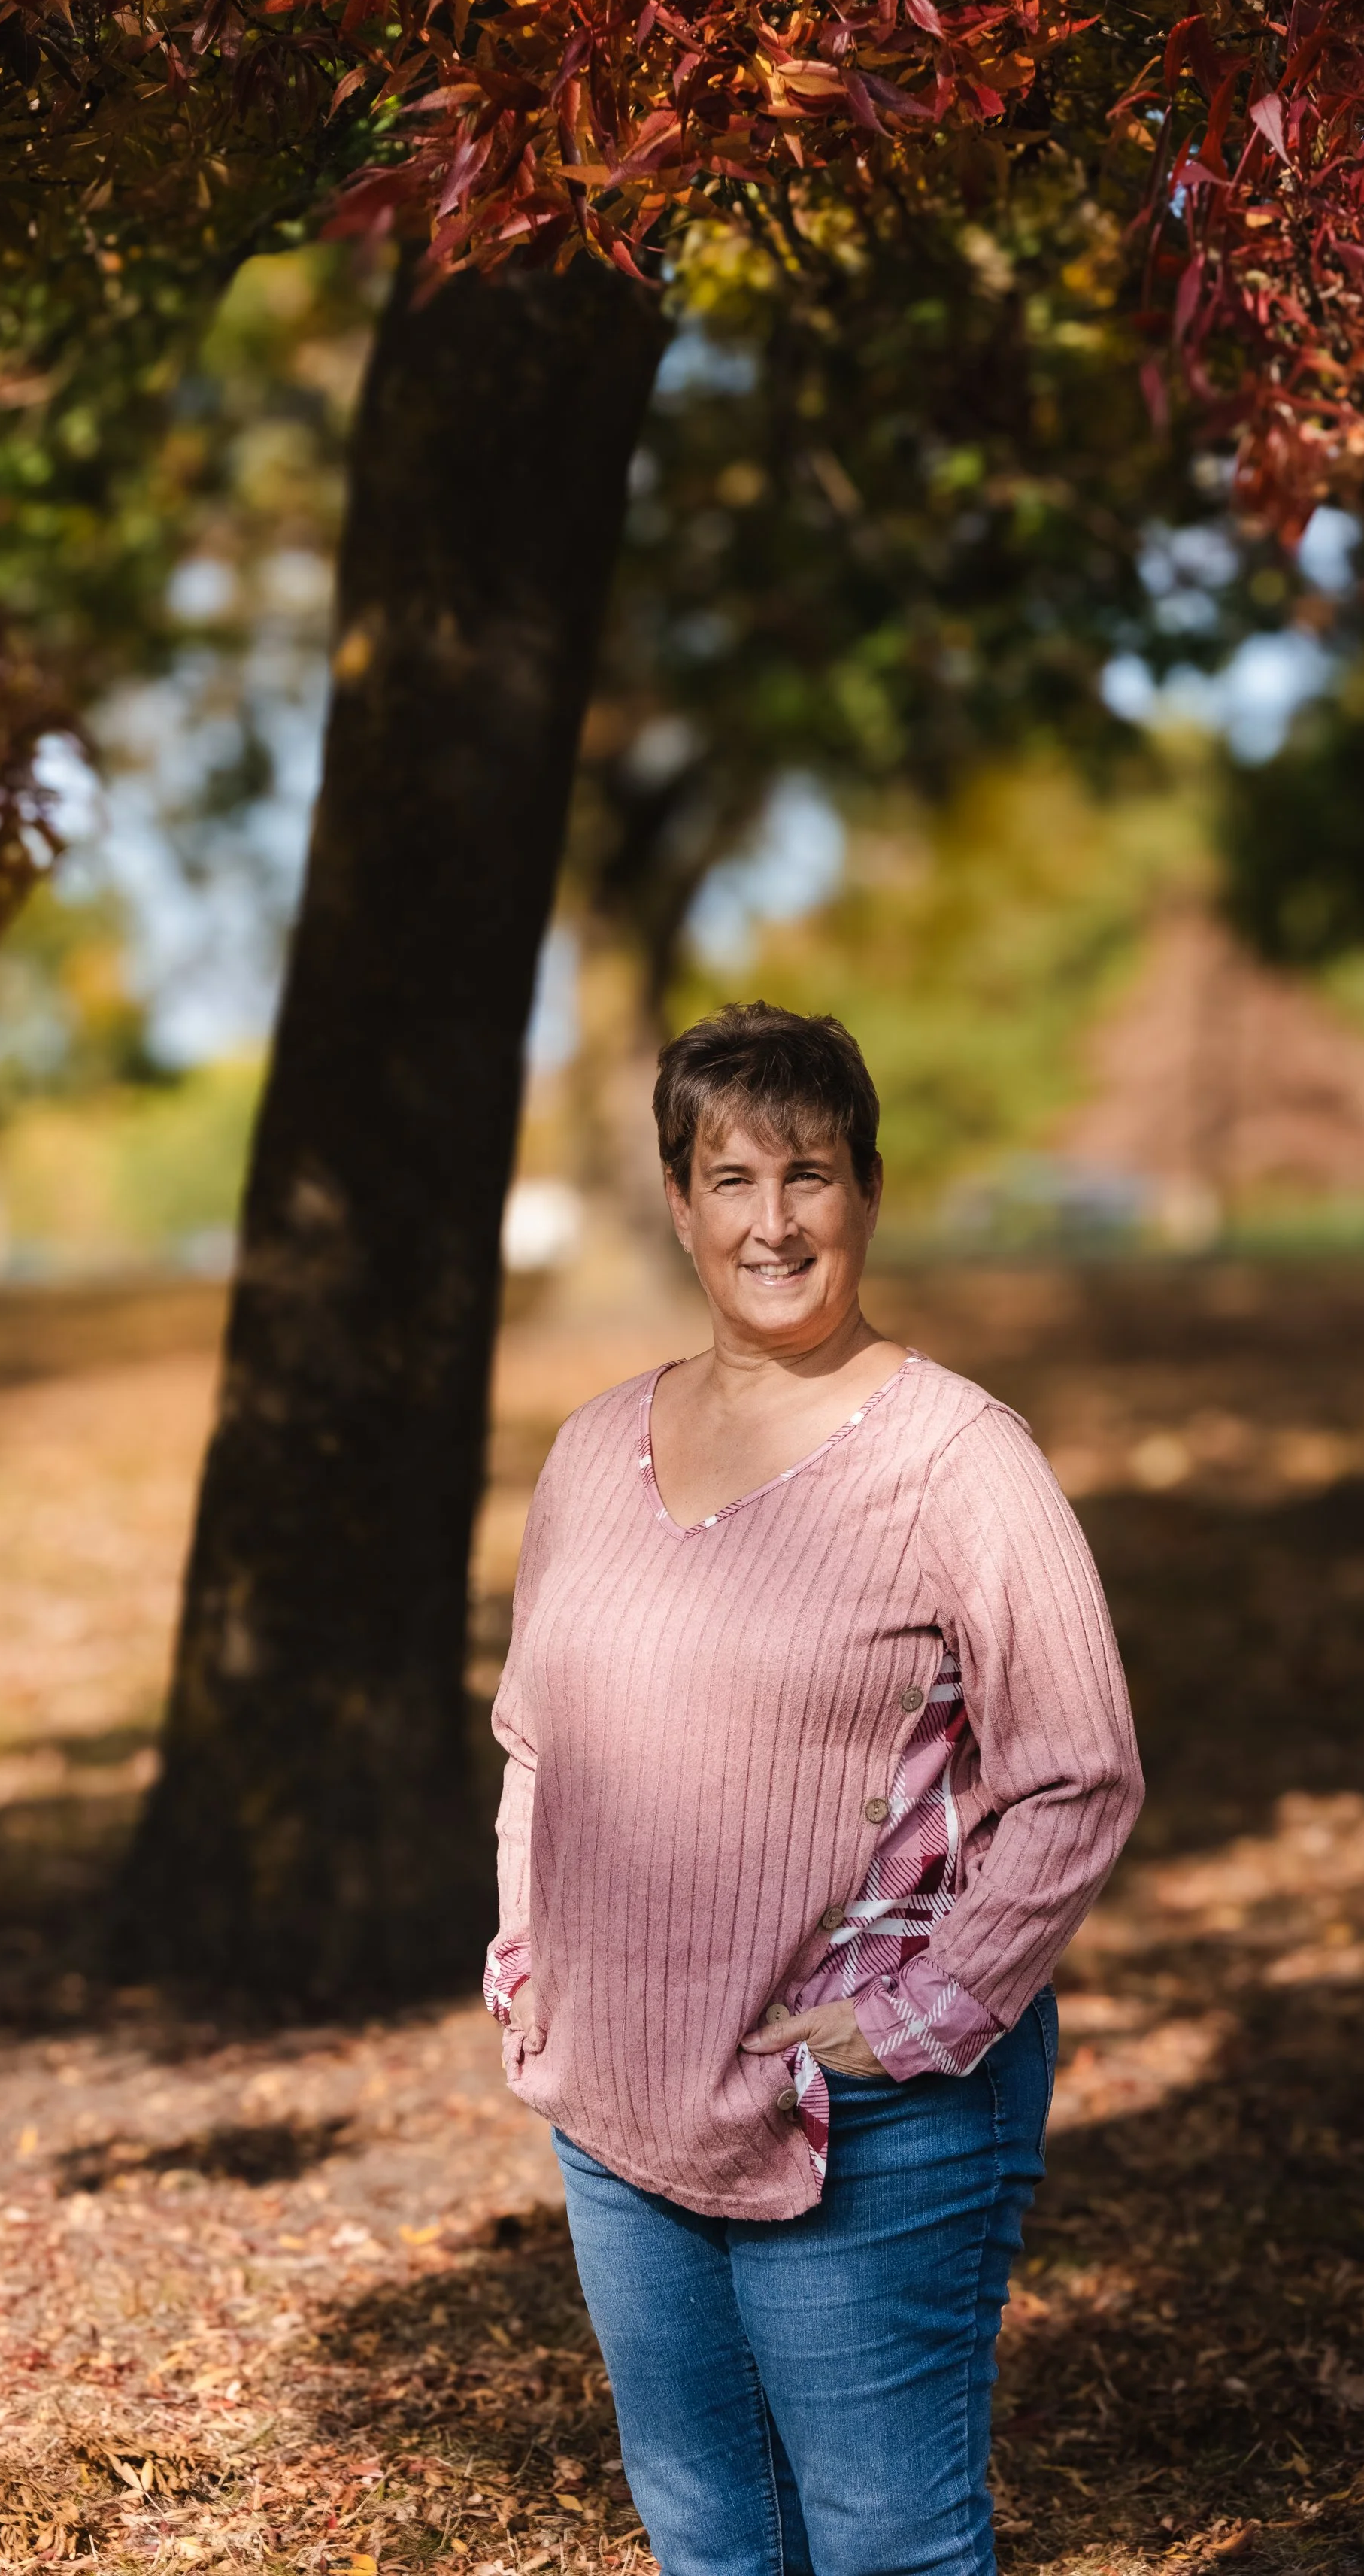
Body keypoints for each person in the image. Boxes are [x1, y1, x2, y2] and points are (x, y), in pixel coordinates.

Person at [483, 1000, 1142, 2576]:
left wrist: (920, 2015)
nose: (770, 1220)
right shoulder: (590, 1451)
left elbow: (1077, 1774)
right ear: (675, 1201)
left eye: (809, 1174)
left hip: (861, 2110)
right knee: (711, 2540)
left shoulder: (954, 1460)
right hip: (616, 2102)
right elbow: (533, 1746)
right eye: (729, 1178)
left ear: (864, 1195)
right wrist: (532, 1974)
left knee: (883, 2548)